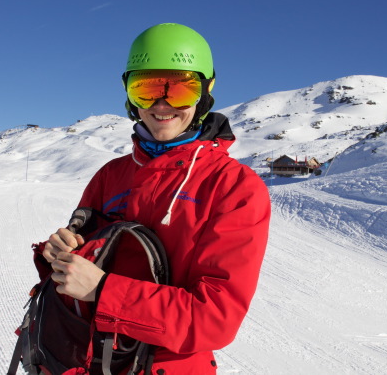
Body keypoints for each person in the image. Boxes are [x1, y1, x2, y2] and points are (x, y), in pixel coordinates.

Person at [33, 23, 270, 374]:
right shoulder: (110, 175)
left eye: (180, 88)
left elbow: (215, 318)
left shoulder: (233, 187)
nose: (161, 103)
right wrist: (60, 256)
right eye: (146, 89)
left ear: (206, 92)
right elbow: (83, 265)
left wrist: (103, 290)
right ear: (129, 94)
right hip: (84, 359)